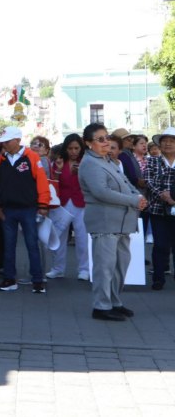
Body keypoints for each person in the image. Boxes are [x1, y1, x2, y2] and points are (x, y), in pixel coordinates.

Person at [78, 123, 147, 320]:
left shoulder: (107, 160)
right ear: (89, 143)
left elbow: (126, 183)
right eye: (100, 139)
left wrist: (137, 196)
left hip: (122, 222)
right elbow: (102, 193)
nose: (105, 142)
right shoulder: (90, 163)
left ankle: (114, 302)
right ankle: (101, 306)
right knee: (105, 267)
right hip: (105, 222)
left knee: (120, 266)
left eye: (106, 137)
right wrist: (134, 200)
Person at [0, 126, 51, 293]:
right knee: (8, 245)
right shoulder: (0, 160)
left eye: (7, 141)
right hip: (8, 210)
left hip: (28, 209)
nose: (3, 145)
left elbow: (41, 182)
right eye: (2, 142)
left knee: (32, 244)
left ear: (17, 141)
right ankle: (10, 279)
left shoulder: (32, 157)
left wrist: (43, 205)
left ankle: (37, 280)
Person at [48, 133, 90, 281]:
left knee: (82, 237)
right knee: (58, 236)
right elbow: (53, 183)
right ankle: (58, 268)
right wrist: (58, 170)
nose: (73, 151)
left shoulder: (86, 162)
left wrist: (82, 173)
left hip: (81, 203)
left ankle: (84, 269)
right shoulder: (58, 162)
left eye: (76, 148)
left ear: (81, 148)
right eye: (70, 148)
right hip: (62, 203)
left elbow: (91, 184)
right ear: (65, 148)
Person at [145, 126, 175, 289]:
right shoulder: (152, 161)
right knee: (160, 245)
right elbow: (149, 181)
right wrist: (164, 195)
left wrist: (174, 199)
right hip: (158, 209)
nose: (168, 144)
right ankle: (158, 278)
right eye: (165, 141)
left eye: (172, 141)